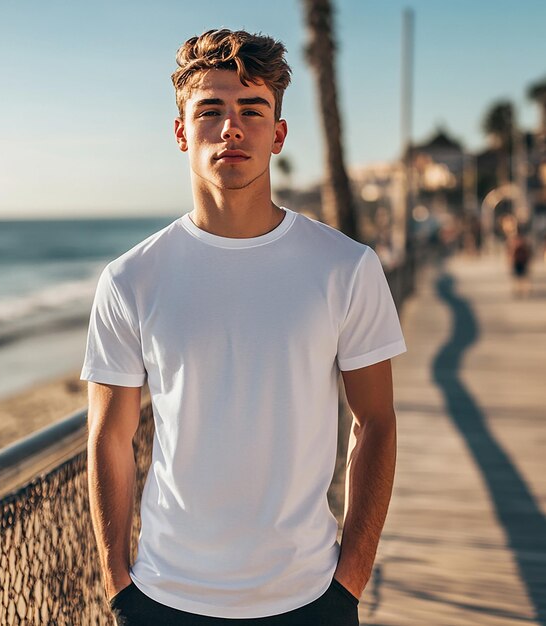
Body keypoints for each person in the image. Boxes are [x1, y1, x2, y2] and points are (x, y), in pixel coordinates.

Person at [80, 28, 407, 625]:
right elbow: (109, 437)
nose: (231, 127)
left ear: (277, 133)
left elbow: (377, 423)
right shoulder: (131, 279)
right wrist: (117, 585)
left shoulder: (345, 268)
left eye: (252, 110)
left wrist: (350, 582)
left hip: (309, 598)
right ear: (181, 131)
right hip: (162, 597)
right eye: (210, 110)